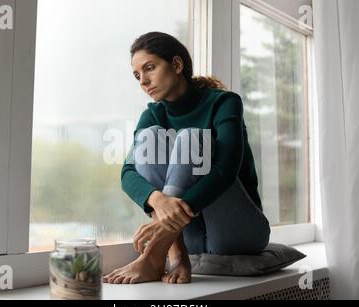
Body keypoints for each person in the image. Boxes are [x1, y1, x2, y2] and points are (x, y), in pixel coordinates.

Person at [102, 32, 270, 285]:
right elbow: (128, 172)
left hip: (239, 234)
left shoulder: (224, 102)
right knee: (151, 138)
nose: (143, 81)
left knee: (191, 137)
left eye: (149, 68)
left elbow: (226, 170)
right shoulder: (152, 114)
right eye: (137, 75)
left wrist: (171, 216)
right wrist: (157, 200)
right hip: (188, 240)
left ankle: (153, 255)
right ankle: (175, 255)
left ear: (177, 65)